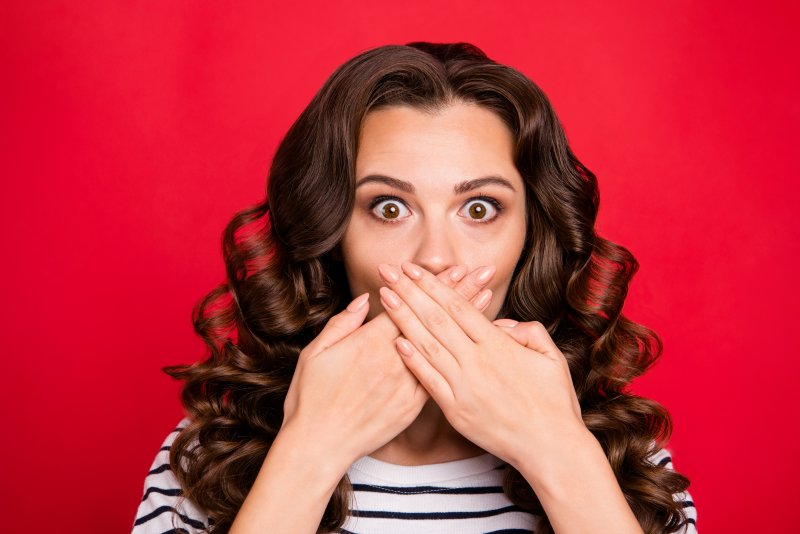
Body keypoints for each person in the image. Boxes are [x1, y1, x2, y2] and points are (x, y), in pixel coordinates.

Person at [132, 41, 697, 533]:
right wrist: (309, 450)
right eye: (389, 207)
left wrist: (557, 451)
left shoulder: (624, 465)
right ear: (334, 236)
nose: (433, 257)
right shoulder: (209, 459)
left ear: (532, 237)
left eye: (480, 208)